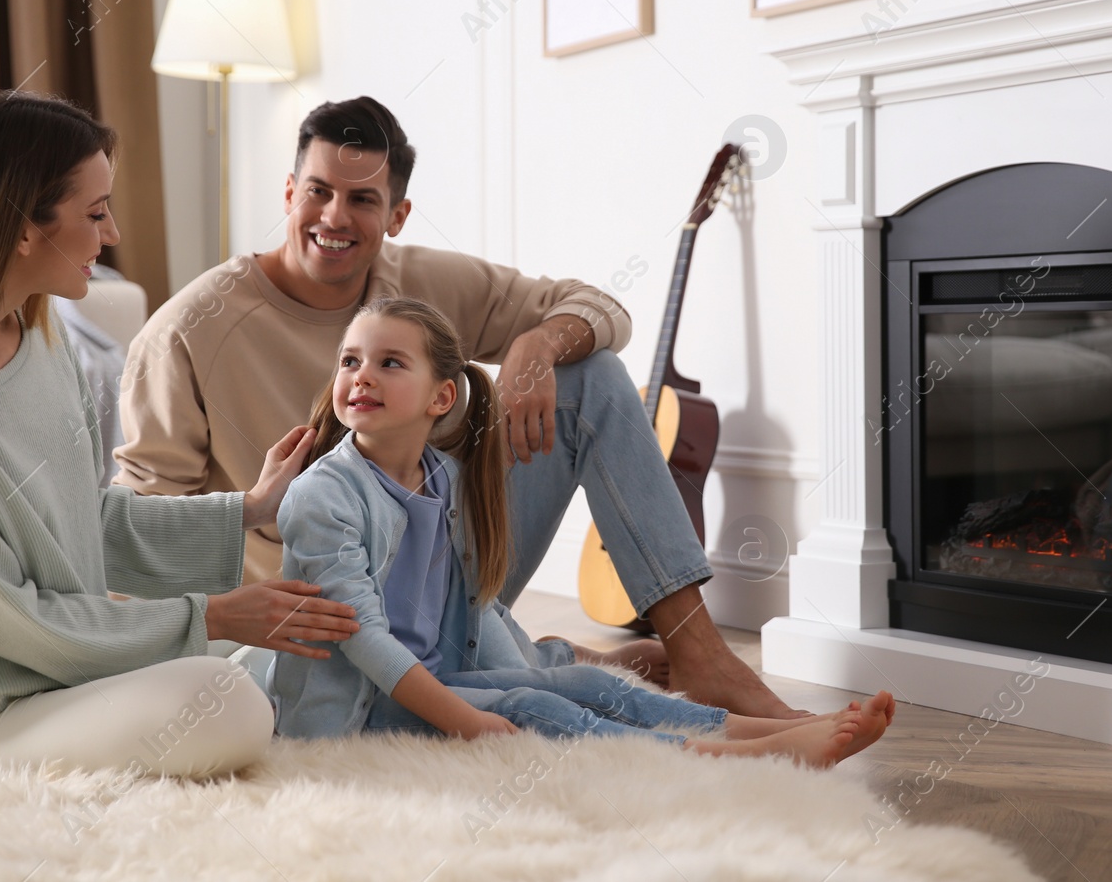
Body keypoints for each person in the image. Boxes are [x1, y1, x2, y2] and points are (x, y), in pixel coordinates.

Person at [114, 96, 796, 719]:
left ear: (397, 215)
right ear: (290, 192)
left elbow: (603, 309)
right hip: (317, 605)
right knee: (513, 689)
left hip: (447, 566)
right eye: (318, 192)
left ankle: (698, 651)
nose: (334, 217)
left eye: (363, 199)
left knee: (594, 373)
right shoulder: (186, 331)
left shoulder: (417, 281)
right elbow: (141, 528)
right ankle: (547, 660)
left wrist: (534, 344)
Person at [0, 91, 362, 779]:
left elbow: (87, 518)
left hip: (72, 676)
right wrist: (214, 617)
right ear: (21, 228)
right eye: (96, 212)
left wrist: (249, 507)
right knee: (227, 701)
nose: (113, 235)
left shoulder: (41, 339)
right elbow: (17, 620)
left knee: (318, 639)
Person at [269, 297, 894, 764]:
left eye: (389, 362)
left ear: (441, 398)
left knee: (580, 683)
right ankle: (717, 757)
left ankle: (754, 729)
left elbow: (468, 601)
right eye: (350, 361)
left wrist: (528, 672)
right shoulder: (323, 496)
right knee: (533, 708)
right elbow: (366, 642)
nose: (361, 376)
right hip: (361, 708)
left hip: (437, 677)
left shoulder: (445, 478)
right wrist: (471, 719)